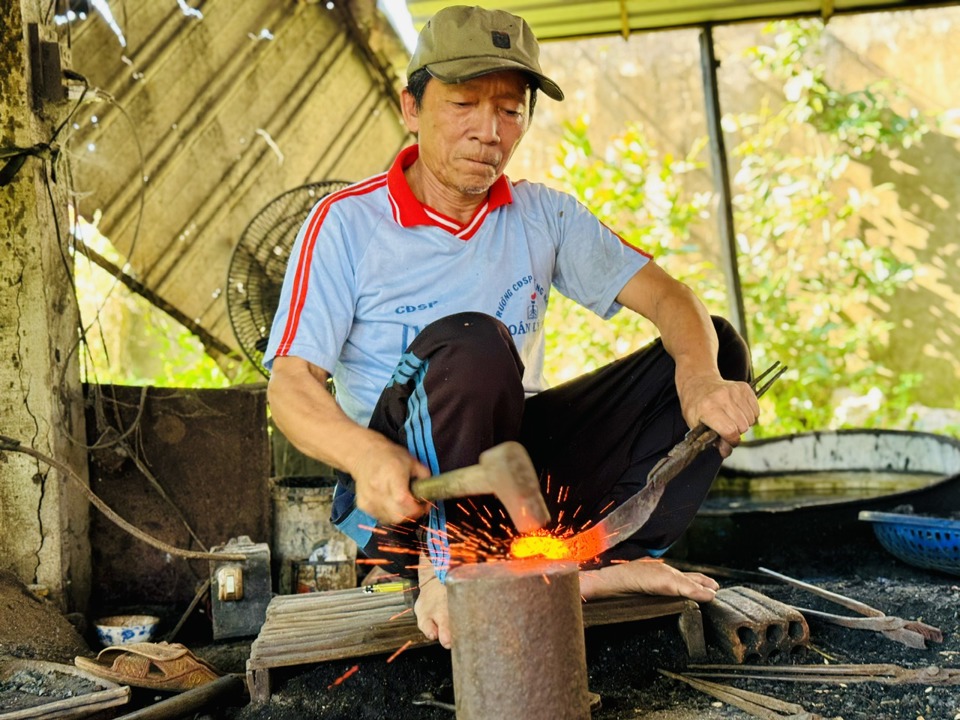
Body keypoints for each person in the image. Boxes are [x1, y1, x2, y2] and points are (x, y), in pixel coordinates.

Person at [264, 5, 760, 649]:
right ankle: (447, 571)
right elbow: (290, 386)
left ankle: (585, 564)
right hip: (405, 496)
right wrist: (364, 456)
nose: (488, 132)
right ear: (411, 109)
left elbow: (673, 299)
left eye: (509, 110)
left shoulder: (542, 216)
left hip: (511, 473)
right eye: (465, 103)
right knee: (473, 341)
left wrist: (699, 380)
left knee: (716, 344)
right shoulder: (347, 224)